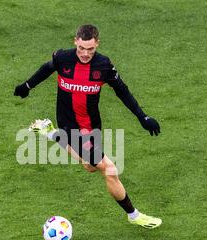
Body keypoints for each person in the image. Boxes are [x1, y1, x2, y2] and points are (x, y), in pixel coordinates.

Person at [14, 24, 162, 229]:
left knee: (90, 166)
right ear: (75, 41)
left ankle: (52, 134)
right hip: (68, 121)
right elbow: (47, 69)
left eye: (90, 49)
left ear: (97, 44)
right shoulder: (63, 58)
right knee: (109, 169)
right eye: (81, 48)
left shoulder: (103, 66)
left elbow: (122, 91)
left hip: (91, 125)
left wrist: (142, 117)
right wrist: (27, 86)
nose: (85, 54)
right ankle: (134, 215)